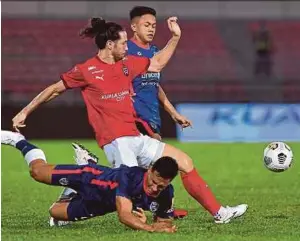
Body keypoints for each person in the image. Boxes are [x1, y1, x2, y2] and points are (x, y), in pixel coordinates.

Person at [11, 17, 248, 224]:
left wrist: (175, 37)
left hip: (136, 138)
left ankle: (219, 213)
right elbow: (54, 90)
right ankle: (71, 196)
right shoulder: (86, 70)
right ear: (110, 44)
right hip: (116, 142)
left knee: (184, 161)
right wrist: (25, 112)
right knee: (124, 195)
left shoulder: (127, 64)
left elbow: (156, 64)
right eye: (124, 42)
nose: (128, 46)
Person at [1, 130, 178, 233]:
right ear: (150, 170)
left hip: (101, 204)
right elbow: (124, 215)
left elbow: (165, 222)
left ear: (168, 183)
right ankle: (18, 140)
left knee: (55, 213)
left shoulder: (166, 193)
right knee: (37, 172)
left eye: (160, 186)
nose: (154, 188)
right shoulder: (130, 176)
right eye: (152, 182)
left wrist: (159, 224)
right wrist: (149, 228)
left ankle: (70, 190)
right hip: (90, 178)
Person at [128, 6, 192, 141]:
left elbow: (154, 85)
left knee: (140, 162)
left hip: (152, 118)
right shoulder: (126, 50)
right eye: (146, 25)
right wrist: (175, 37)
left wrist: (174, 114)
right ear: (134, 27)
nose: (151, 29)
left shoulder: (154, 51)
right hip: (134, 119)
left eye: (153, 26)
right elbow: (156, 66)